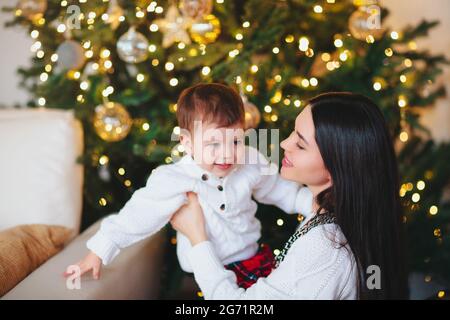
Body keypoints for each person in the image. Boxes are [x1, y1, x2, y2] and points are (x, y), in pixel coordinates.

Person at [64, 83, 312, 288]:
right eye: (213, 144)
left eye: (235, 141)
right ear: (187, 142)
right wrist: (98, 251)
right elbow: (137, 215)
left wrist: (313, 204)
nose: (226, 154)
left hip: (253, 259)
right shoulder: (174, 179)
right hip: (202, 271)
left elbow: (280, 190)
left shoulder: (250, 161)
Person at [171, 92, 409, 299]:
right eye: (293, 133)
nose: (285, 143)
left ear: (339, 166)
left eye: (301, 144)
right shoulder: (336, 214)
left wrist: (198, 238)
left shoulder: (325, 248)